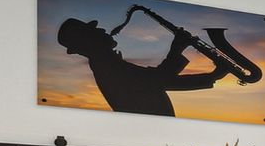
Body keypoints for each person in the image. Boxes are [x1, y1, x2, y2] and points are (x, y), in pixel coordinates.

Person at [56, 17, 225, 117]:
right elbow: (158, 80)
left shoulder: (106, 64)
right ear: (87, 40)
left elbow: (156, 80)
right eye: (92, 31)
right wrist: (213, 76)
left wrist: (178, 49)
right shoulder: (107, 65)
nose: (101, 29)